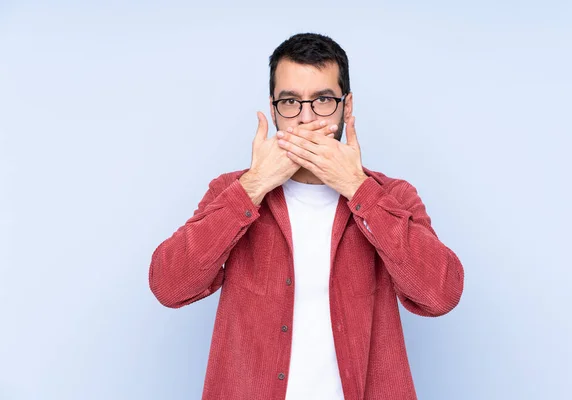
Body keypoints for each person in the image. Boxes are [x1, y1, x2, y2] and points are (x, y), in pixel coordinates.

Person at [149, 32, 464, 400]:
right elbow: (169, 285)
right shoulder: (233, 192)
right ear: (273, 109)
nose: (307, 118)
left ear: (347, 107)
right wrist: (254, 186)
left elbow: (441, 294)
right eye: (290, 102)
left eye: (323, 100)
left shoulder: (391, 196)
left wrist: (357, 188)